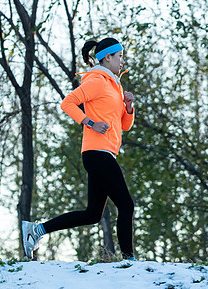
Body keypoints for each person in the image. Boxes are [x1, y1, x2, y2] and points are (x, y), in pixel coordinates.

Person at [22, 37, 136, 261]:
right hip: (96, 152)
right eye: (120, 56)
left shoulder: (115, 85)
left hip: (106, 152)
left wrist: (129, 107)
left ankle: (36, 231)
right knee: (126, 204)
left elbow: (125, 125)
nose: (122, 61)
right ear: (107, 57)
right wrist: (90, 122)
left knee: (93, 214)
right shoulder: (97, 81)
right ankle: (129, 259)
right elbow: (68, 103)